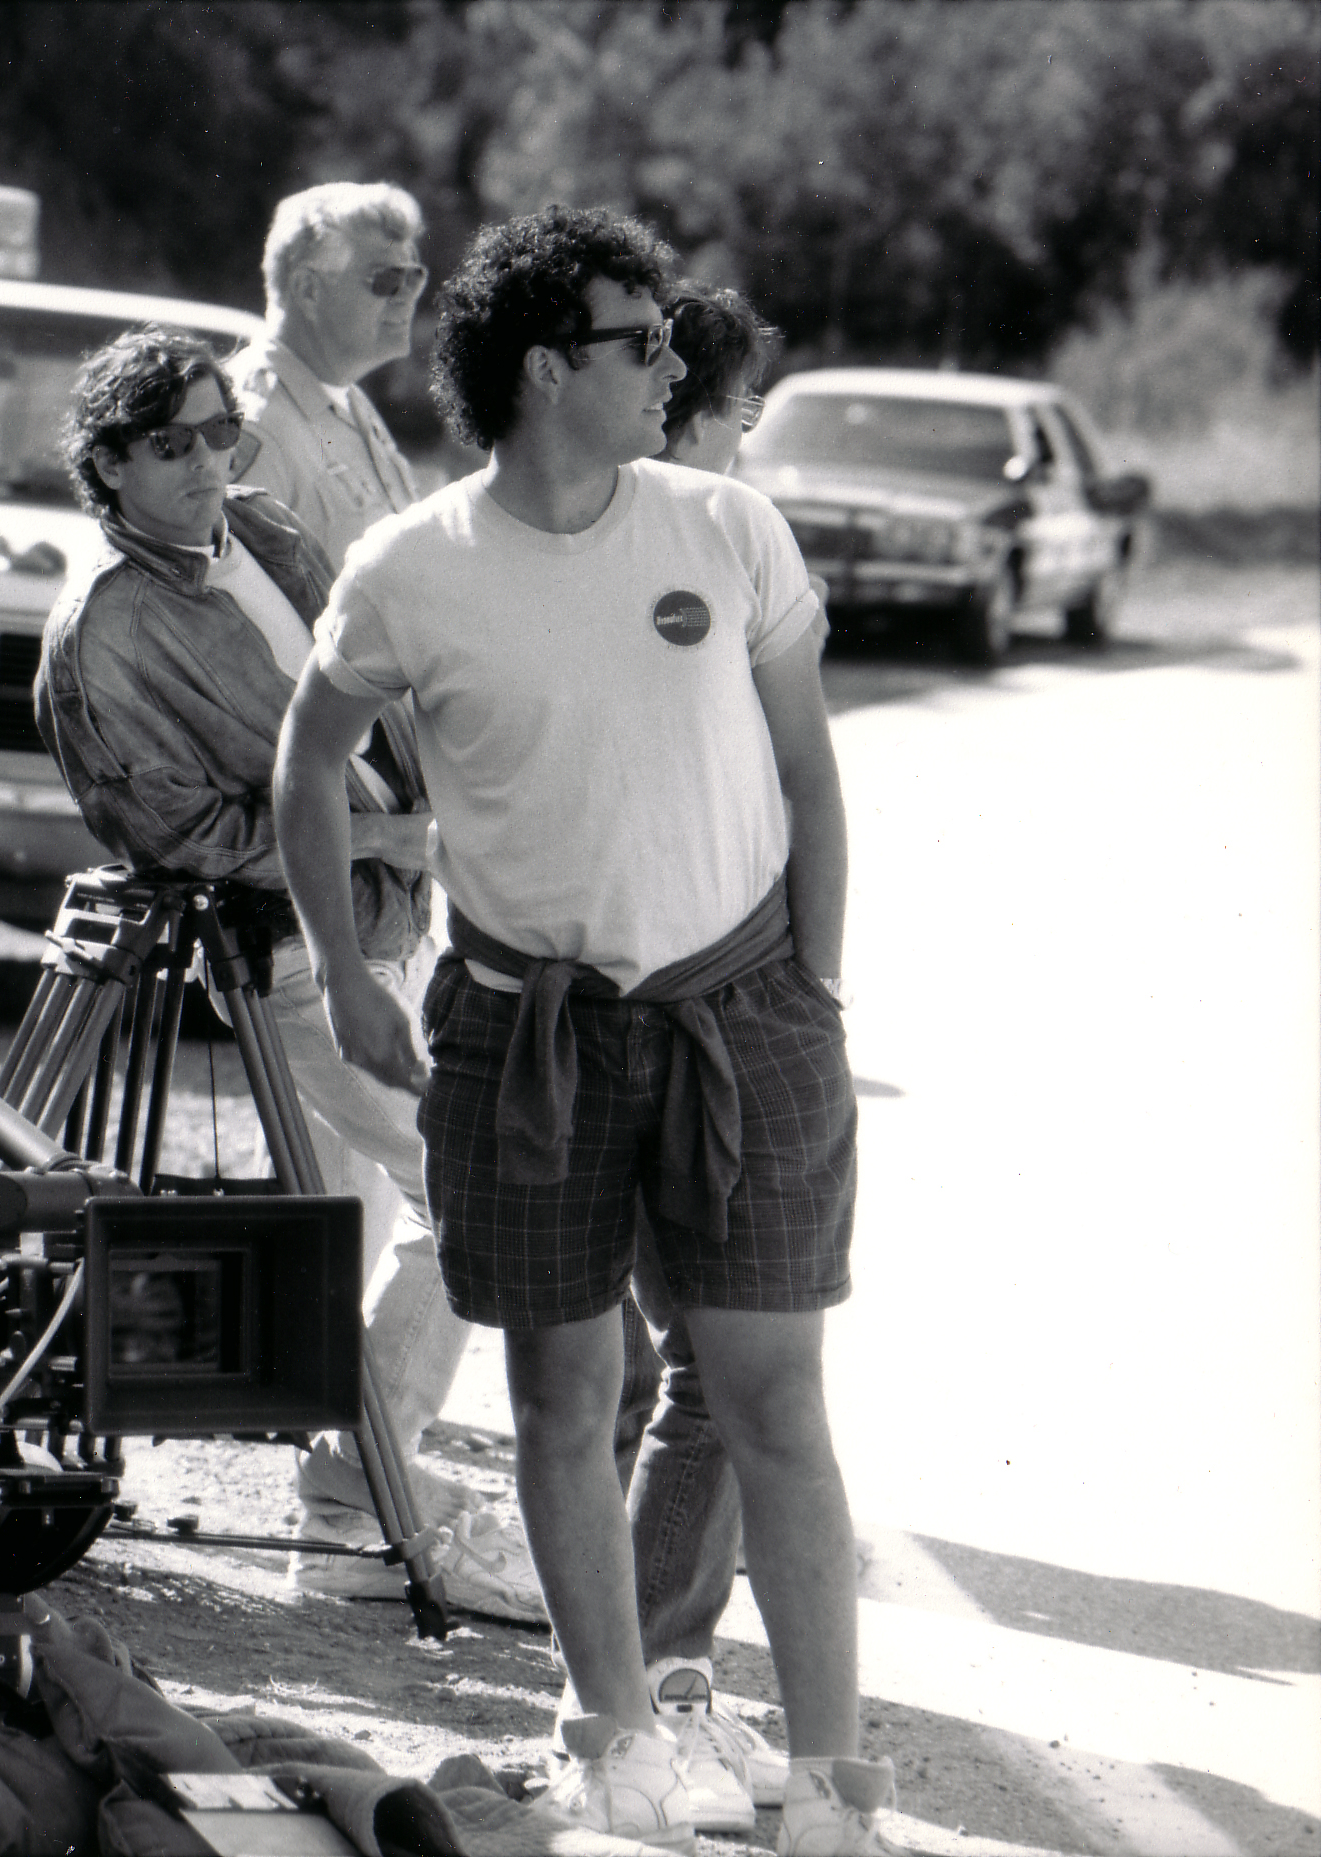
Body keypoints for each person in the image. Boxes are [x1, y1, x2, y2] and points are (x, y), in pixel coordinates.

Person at [273, 205, 891, 1855]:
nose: (672, 365)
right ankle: (613, 1741)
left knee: (772, 1400)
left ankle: (831, 1790)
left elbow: (809, 774)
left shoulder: (721, 527)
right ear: (547, 369)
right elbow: (305, 755)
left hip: (735, 1010)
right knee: (562, 1393)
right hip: (520, 1025)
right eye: (640, 344)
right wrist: (341, 970)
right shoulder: (409, 569)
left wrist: (807, 997)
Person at [30, 326, 544, 1626]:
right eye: (172, 445)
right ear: (107, 465)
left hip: (395, 911)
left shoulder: (257, 528)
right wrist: (375, 832)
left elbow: (381, 672)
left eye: (223, 432)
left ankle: (359, 1460)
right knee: (478, 1194)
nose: (210, 462)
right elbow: (177, 836)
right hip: (291, 949)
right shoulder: (107, 623)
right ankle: (358, 1479)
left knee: (398, 1209)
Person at [576, 280, 800, 1836]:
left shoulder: (596, 542)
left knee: (624, 1370)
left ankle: (639, 1678)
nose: (745, 452)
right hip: (672, 1015)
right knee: (708, 1377)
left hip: (635, 1007)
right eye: (739, 420)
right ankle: (651, 1685)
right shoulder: (700, 548)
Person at [229, 182, 431, 567]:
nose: (406, 296)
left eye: (414, 277)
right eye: (387, 280)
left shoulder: (348, 400)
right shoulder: (255, 423)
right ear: (309, 290)